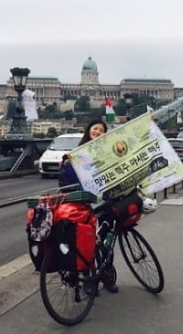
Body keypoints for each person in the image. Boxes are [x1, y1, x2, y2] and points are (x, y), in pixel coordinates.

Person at [59, 120, 118, 293]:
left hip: (105, 198)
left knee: (107, 241)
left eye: (101, 129)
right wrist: (68, 164)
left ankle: (107, 276)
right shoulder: (79, 151)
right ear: (89, 131)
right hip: (85, 200)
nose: (98, 131)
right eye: (95, 128)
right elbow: (70, 179)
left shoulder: (108, 150)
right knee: (87, 241)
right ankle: (89, 280)